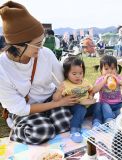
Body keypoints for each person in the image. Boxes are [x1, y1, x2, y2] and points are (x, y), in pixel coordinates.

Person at [0, 1, 78, 144]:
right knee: (41, 131)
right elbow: (21, 108)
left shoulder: (45, 54)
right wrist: (58, 104)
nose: (41, 48)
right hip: (27, 108)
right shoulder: (2, 69)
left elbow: (62, 81)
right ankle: (16, 125)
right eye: (37, 44)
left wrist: (75, 89)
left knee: (66, 121)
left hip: (50, 98)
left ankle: (47, 121)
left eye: (42, 42)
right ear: (18, 45)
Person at [53, 56, 100, 143]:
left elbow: (91, 91)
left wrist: (90, 96)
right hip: (75, 107)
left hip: (88, 106)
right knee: (81, 109)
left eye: (80, 73)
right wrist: (59, 91)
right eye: (74, 74)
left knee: (98, 105)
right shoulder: (65, 84)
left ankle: (96, 122)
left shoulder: (85, 82)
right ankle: (74, 130)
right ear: (67, 73)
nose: (78, 76)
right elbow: (56, 99)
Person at [92, 55, 122, 125]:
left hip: (118, 103)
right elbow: (94, 90)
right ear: (101, 70)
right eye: (106, 69)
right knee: (105, 109)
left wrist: (118, 81)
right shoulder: (100, 80)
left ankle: (115, 114)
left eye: (112, 68)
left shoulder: (119, 78)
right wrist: (104, 81)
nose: (109, 71)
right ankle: (109, 120)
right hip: (105, 103)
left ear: (116, 69)